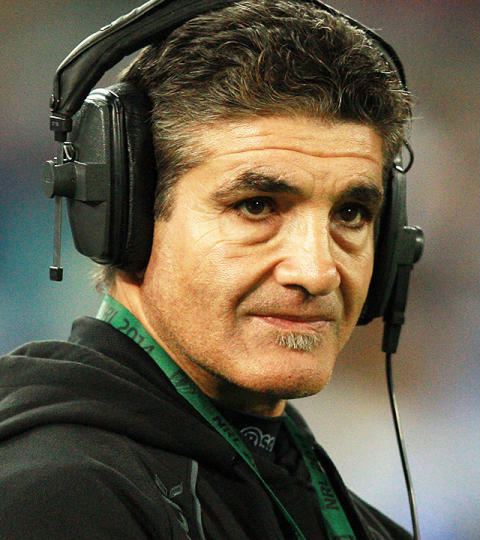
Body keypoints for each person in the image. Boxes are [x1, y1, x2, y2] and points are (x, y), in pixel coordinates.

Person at [0, 2, 414, 538]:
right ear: (131, 216)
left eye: (351, 214)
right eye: (257, 206)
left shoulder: (359, 522)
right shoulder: (55, 501)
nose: (317, 272)